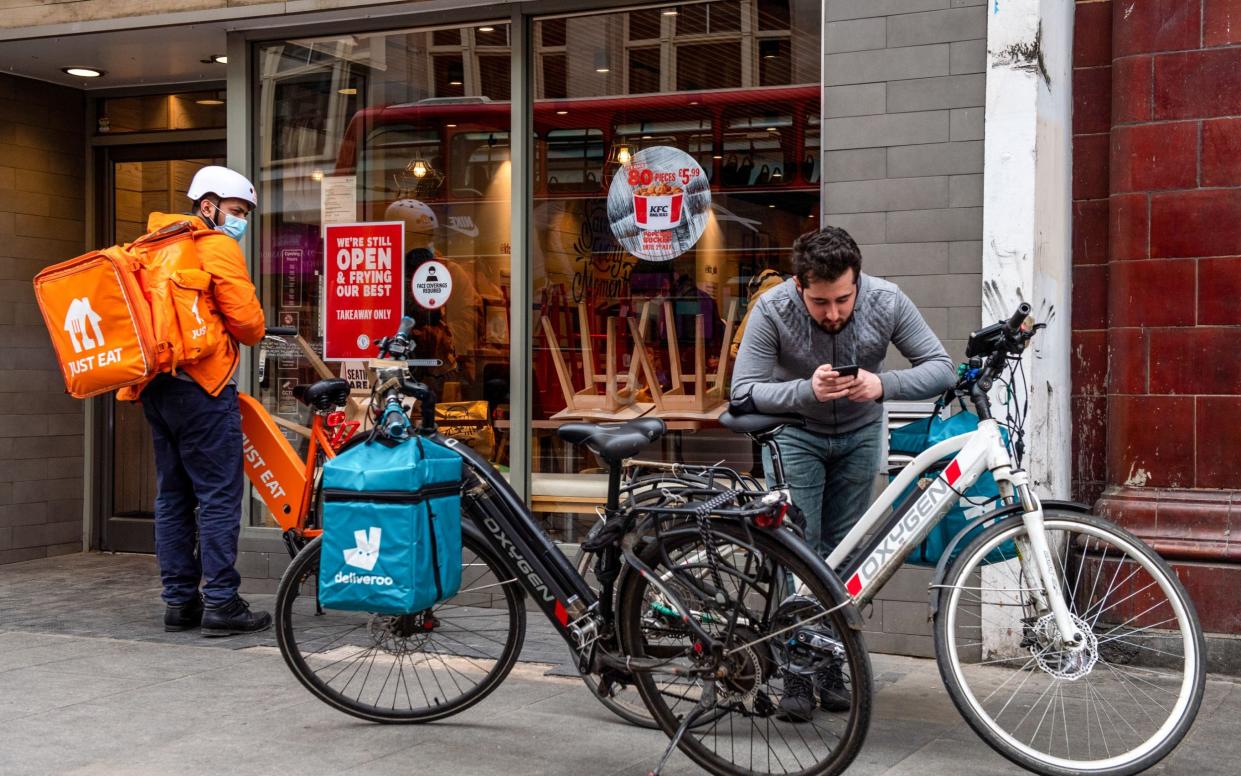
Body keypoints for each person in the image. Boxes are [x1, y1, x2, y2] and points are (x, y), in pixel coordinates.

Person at [730, 226, 956, 720]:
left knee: (844, 552)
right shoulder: (772, 309)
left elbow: (942, 368)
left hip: (859, 437)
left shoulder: (887, 300)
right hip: (794, 435)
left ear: (858, 282)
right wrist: (804, 390)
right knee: (799, 554)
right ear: (797, 287)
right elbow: (742, 391)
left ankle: (831, 665)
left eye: (842, 299)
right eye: (819, 302)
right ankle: (796, 675)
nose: (833, 313)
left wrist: (884, 384)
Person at [118, 165, 270, 636]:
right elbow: (249, 325)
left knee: (173, 497)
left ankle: (179, 603)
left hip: (157, 386)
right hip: (203, 386)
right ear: (208, 206)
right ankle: (222, 603)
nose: (240, 220)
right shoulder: (216, 245)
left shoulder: (150, 246)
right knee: (219, 497)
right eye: (236, 210)